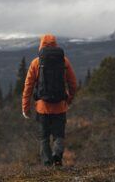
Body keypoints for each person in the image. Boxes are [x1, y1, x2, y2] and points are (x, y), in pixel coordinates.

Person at [22, 34, 77, 166]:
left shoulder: (36, 62)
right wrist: (68, 100)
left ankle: (47, 164)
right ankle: (57, 155)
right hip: (60, 106)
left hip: (42, 108)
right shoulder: (64, 61)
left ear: (41, 45)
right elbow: (73, 83)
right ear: (55, 44)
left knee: (44, 138)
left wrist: (25, 108)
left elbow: (28, 87)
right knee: (59, 136)